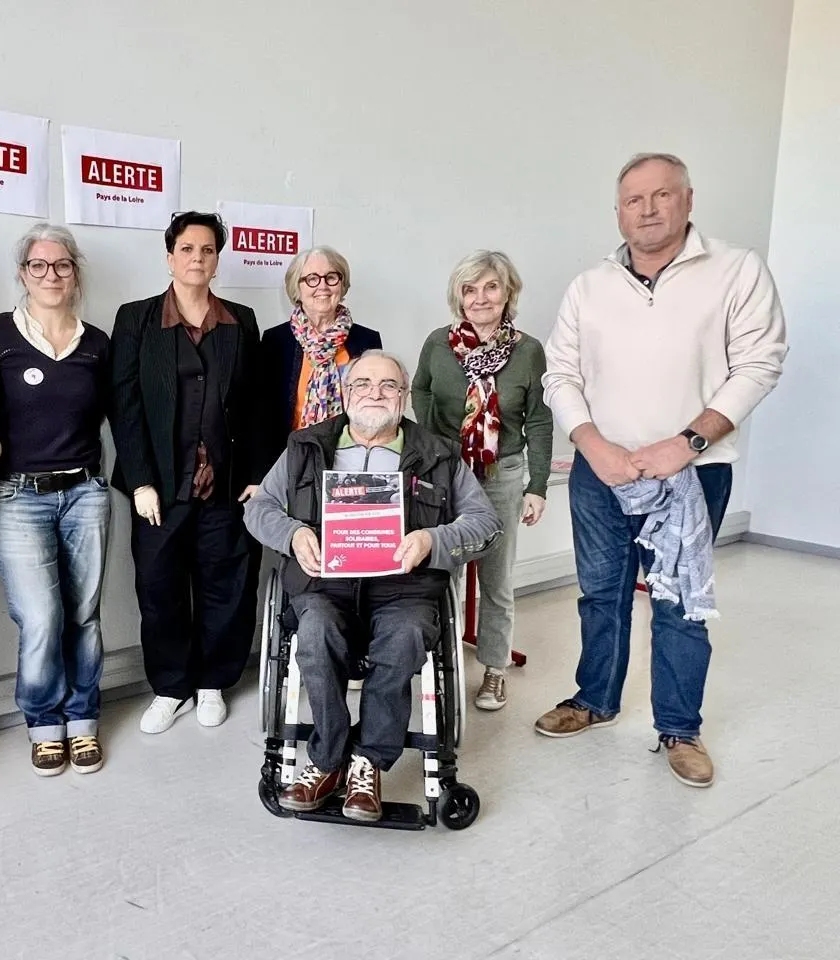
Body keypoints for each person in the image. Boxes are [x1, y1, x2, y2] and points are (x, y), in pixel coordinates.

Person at [538, 152, 787, 787]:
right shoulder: (590, 286)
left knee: (679, 602)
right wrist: (591, 444)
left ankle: (679, 727)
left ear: (688, 200)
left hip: (692, 472)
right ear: (618, 212)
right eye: (633, 200)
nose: (647, 210)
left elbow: (759, 363)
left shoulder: (735, 270)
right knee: (601, 592)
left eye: (661, 195)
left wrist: (687, 442)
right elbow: (560, 374)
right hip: (601, 469)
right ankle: (594, 699)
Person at [244, 350, 501, 820]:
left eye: (388, 385)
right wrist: (294, 533)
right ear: (346, 393)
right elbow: (258, 509)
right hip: (325, 584)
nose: (374, 394)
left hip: (404, 588)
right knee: (315, 631)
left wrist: (432, 539)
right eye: (362, 383)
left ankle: (368, 762)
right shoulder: (306, 447)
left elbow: (485, 523)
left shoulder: (439, 454)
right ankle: (327, 760)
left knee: (405, 636)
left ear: (404, 396)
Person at [109, 211, 262, 734]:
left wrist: (256, 474)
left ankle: (213, 682)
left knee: (228, 587)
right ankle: (171, 688)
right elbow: (124, 405)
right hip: (160, 489)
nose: (197, 258)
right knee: (160, 591)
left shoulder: (240, 321)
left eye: (208, 250)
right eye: (187, 249)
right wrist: (140, 481)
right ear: (170, 257)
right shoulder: (137, 318)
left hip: (226, 488)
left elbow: (256, 405)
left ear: (217, 260)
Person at [0, 224, 111, 777]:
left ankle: (82, 717)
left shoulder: (97, 343)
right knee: (40, 617)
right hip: (17, 495)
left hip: (85, 492)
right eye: (39, 265)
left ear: (75, 273)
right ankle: (42, 721)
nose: (51, 275)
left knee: (84, 613)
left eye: (61, 265)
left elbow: (118, 417)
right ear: (23, 273)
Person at [411, 250, 552, 711]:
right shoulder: (438, 343)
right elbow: (421, 388)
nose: (480, 298)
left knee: (496, 578)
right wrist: (434, 440)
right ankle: (443, 660)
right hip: (447, 475)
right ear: (458, 296)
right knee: (444, 572)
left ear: (508, 292)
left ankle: (494, 669)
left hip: (501, 475)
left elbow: (539, 420)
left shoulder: (528, 351)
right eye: (469, 289)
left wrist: (537, 485)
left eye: (491, 287)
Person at [259, 246, 382, 457]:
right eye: (312, 279)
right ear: (297, 287)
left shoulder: (367, 340)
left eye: (331, 277)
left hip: (351, 456)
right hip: (290, 456)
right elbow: (261, 413)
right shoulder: (275, 340)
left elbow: (375, 405)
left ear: (342, 285)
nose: (323, 286)